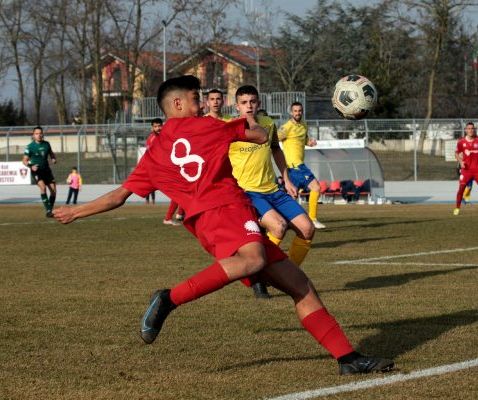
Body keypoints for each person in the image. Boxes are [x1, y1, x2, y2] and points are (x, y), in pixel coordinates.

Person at [52, 75, 393, 375]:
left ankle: (346, 357)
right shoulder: (209, 127)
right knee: (253, 260)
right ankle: (169, 298)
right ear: (177, 103)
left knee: (300, 285)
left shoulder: (154, 154)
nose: (202, 104)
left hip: (208, 223)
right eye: (196, 98)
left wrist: (75, 213)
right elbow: (258, 136)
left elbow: (119, 196)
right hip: (228, 209)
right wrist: (254, 127)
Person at [230, 85, 315, 299]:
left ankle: (284, 276)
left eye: (252, 101)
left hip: (273, 190)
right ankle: (259, 277)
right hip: (249, 192)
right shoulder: (229, 128)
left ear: (259, 104)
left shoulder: (268, 124)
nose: (249, 106)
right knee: (279, 227)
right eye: (244, 102)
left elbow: (276, 149)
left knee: (307, 229)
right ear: (237, 106)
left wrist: (286, 179)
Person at [278, 102, 327, 229]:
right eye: (295, 111)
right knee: (316, 188)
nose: (297, 113)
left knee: (292, 195)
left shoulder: (303, 124)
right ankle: (312, 219)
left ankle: (283, 220)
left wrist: (310, 143)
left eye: (299, 110)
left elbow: (304, 140)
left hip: (295, 167)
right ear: (291, 112)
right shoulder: (287, 127)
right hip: (296, 166)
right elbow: (274, 138)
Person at [146, 117, 184, 224]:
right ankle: (172, 216)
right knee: (179, 193)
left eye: (159, 126)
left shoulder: (166, 137)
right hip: (163, 171)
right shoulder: (152, 139)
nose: (158, 128)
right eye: (155, 126)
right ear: (152, 128)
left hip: (172, 169)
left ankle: (179, 214)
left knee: (182, 191)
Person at [22, 126, 57, 217]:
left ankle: (49, 210)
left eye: (40, 133)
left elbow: (51, 154)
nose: (39, 135)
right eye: (37, 133)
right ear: (33, 135)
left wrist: (53, 158)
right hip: (37, 171)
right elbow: (24, 160)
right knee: (43, 188)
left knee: (53, 191)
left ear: (42, 134)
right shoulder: (30, 147)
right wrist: (31, 166)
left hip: (46, 170)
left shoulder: (47, 144)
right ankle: (48, 210)